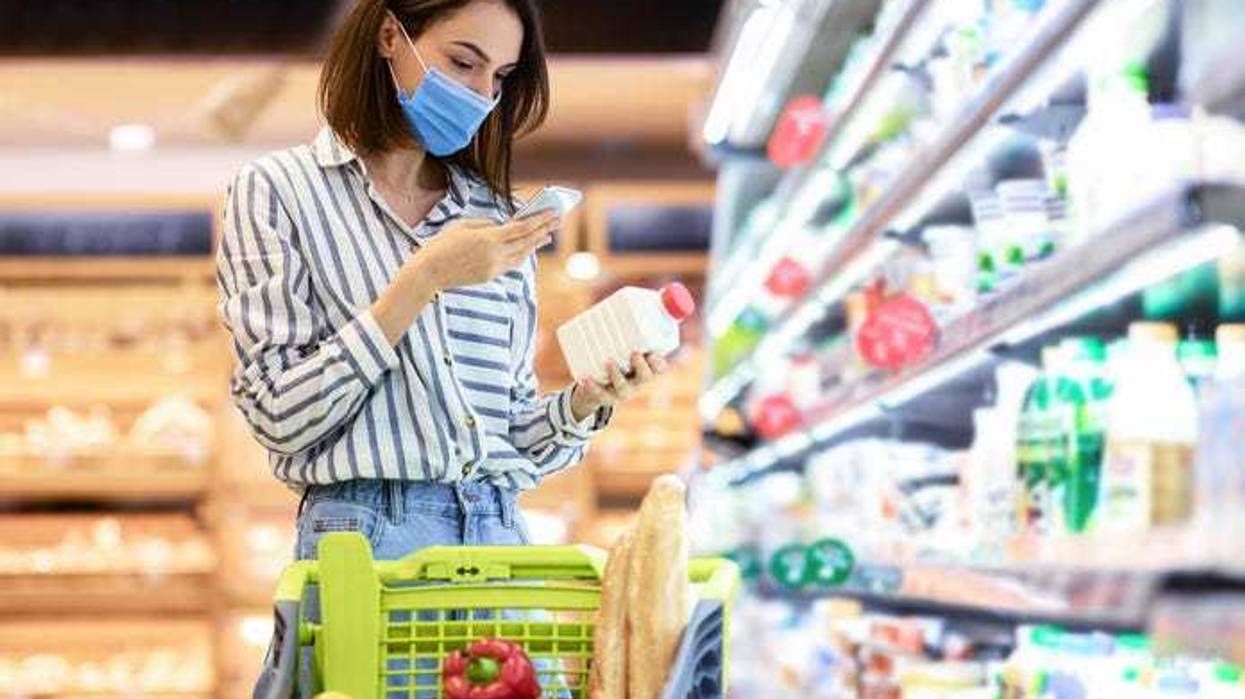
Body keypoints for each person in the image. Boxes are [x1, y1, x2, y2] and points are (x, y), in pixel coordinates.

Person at [217, 0, 667, 682]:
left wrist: (582, 402)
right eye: (463, 62)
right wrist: (420, 280)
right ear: (391, 36)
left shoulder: (495, 219)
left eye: (501, 76)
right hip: (366, 546)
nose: (481, 95)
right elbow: (279, 414)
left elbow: (511, 443)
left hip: (500, 542)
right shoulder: (276, 193)